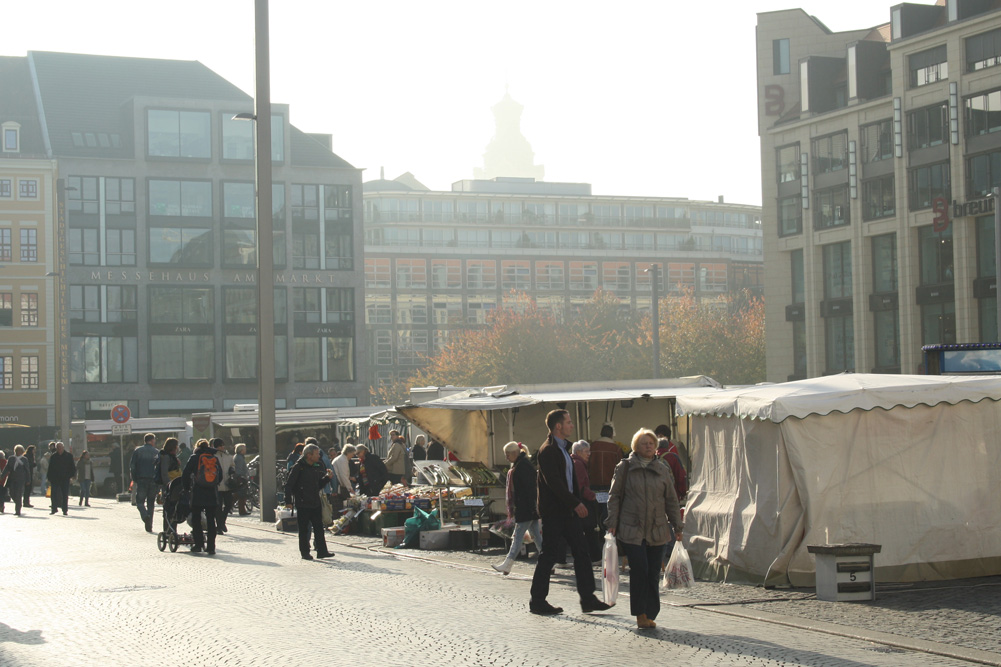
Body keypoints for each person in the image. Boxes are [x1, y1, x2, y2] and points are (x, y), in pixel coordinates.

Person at [529, 409, 612, 616]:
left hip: (567, 512)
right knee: (549, 555)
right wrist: (576, 503)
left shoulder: (564, 449)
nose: (571, 425)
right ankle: (537, 600)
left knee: (581, 552)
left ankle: (588, 598)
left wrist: (575, 503)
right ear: (558, 426)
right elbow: (555, 483)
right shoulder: (548, 450)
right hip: (554, 512)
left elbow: (569, 481)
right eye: (568, 422)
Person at [606, 428, 684, 630]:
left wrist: (677, 525)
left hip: (657, 528)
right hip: (632, 527)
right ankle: (640, 613)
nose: (648, 446)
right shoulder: (625, 467)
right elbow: (614, 496)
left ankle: (651, 611)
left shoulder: (662, 469)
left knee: (652, 572)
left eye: (651, 443)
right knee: (639, 570)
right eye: (644, 443)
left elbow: (671, 500)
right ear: (636, 447)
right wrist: (612, 523)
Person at [493, 442, 542, 575]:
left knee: (518, 537)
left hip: (526, 508)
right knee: (536, 537)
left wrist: (528, 507)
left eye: (507, 454)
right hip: (528, 508)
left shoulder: (522, 467)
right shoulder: (523, 465)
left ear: (514, 453)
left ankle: (507, 564)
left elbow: (528, 490)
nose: (506, 457)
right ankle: (549, 561)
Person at [284, 443, 335, 560]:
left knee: (318, 528)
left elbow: (318, 485)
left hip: (315, 501)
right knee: (304, 529)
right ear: (309, 455)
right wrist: (288, 501)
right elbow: (289, 485)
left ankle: (322, 551)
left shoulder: (316, 466)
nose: (319, 456)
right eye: (316, 454)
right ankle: (305, 552)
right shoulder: (298, 467)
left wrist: (327, 478)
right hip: (303, 502)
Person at [182, 438, 220, 555]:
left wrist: (187, 488)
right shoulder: (214, 458)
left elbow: (185, 474)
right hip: (211, 493)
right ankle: (211, 547)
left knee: (196, 519)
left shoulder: (194, 457)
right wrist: (213, 484)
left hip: (197, 492)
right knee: (210, 520)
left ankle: (198, 545)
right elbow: (220, 475)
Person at [571, 440, 603, 562]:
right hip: (583, 501)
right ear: (578, 452)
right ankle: (595, 557)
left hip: (580, 500)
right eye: (586, 451)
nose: (589, 454)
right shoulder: (578, 464)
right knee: (590, 529)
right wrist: (591, 495)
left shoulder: (576, 462)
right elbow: (580, 486)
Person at [130, 433, 160, 532]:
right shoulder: (156, 452)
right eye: (154, 440)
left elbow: (133, 466)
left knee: (139, 502)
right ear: (151, 441)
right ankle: (149, 525)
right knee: (151, 503)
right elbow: (159, 467)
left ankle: (144, 515)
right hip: (153, 480)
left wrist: (135, 478)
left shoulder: (138, 451)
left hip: (141, 479)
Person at [588, 423, 625, 489]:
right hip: (611, 483)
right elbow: (621, 468)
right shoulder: (616, 449)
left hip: (593, 482)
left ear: (601, 433)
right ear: (611, 435)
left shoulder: (591, 447)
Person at [158, 438, 182, 531]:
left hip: (175, 485)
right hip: (170, 486)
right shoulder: (166, 457)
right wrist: (169, 485)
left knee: (174, 509)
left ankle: (172, 530)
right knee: (168, 509)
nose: (178, 447)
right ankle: (168, 530)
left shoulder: (172, 456)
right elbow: (164, 473)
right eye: (177, 445)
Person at [47, 441, 76, 516]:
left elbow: (72, 467)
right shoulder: (53, 456)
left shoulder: (68, 456)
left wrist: (72, 476)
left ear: (63, 448)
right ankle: (54, 509)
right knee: (53, 494)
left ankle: (65, 510)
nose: (59, 449)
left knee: (64, 495)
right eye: (58, 448)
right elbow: (50, 468)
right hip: (55, 478)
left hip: (65, 478)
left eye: (60, 447)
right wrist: (49, 477)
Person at [213, 438, 235, 533]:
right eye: (220, 445)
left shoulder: (228, 456)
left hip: (227, 483)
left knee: (228, 505)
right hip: (217, 485)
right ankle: (219, 526)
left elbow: (232, 465)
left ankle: (221, 522)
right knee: (218, 507)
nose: (222, 447)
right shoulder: (213, 456)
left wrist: (232, 469)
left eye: (223, 445)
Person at [1, 445, 30, 516]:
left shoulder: (24, 459)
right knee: (11, 493)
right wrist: (2, 476)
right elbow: (7, 468)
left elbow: (27, 470)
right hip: (12, 478)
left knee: (18, 494)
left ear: (22, 451)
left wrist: (28, 480)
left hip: (20, 479)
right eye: (17, 450)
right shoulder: (11, 458)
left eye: (19, 450)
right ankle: (18, 503)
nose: (18, 452)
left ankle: (18, 510)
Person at [331, 444, 357, 512]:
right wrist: (350, 488)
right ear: (348, 452)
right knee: (343, 507)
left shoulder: (340, 459)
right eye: (352, 454)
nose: (353, 456)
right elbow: (344, 476)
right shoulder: (343, 460)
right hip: (340, 487)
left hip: (337, 486)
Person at [232, 443, 251, 516]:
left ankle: (229, 507)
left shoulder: (238, 457)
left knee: (238, 495)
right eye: (244, 449)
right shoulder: (239, 458)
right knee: (241, 495)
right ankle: (242, 510)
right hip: (240, 478)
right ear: (241, 450)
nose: (245, 450)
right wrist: (242, 477)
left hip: (239, 477)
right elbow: (239, 469)